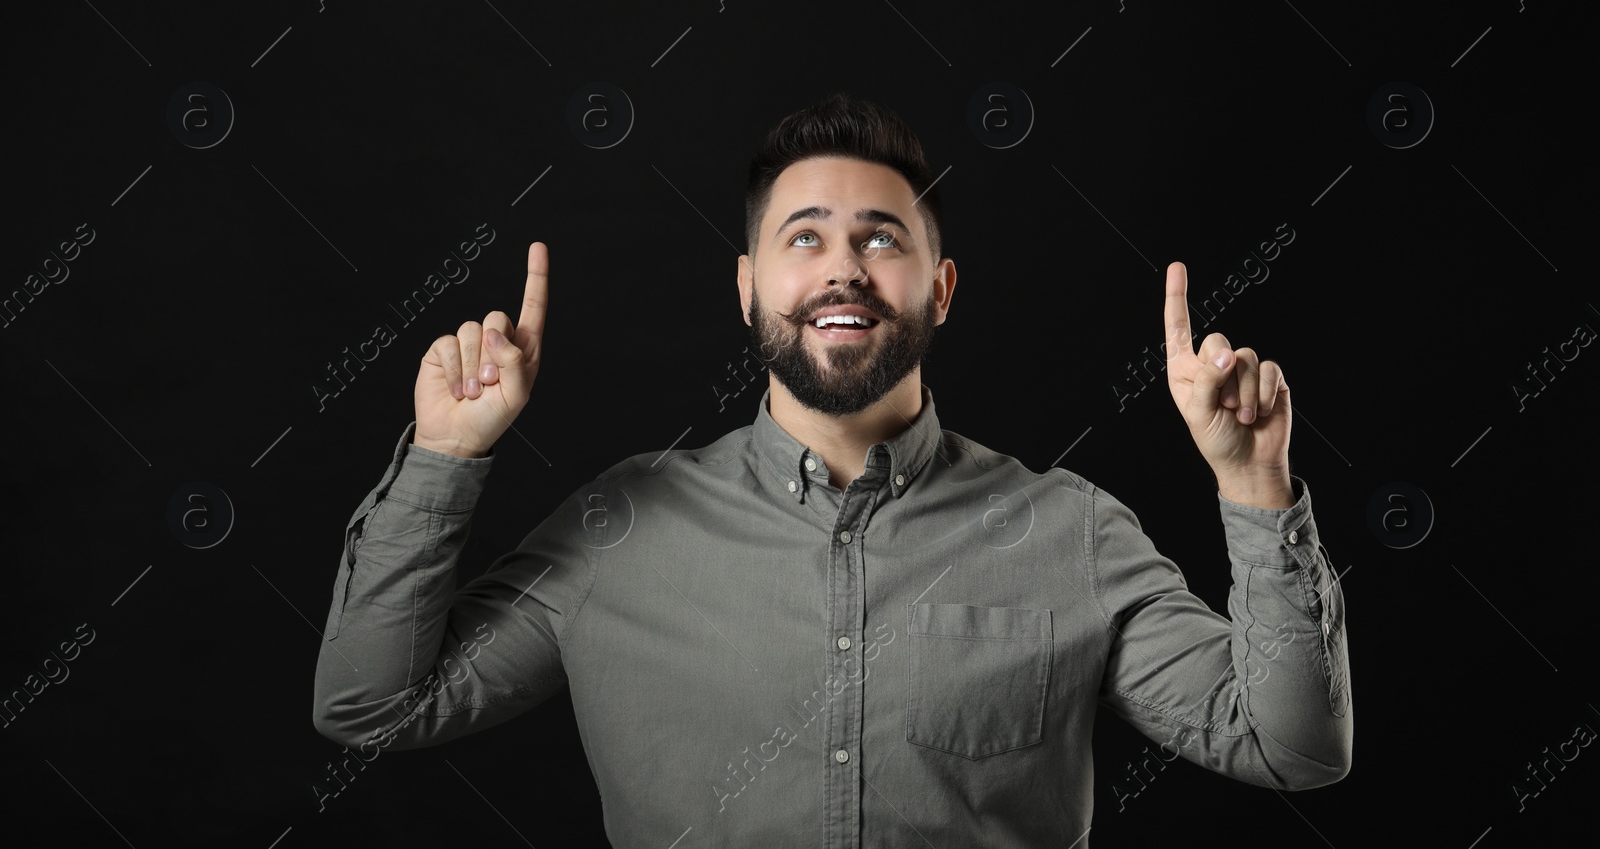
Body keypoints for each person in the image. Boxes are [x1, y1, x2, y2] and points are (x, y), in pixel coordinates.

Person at [311, 92, 1351, 847]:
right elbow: (371, 706)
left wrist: (1255, 486)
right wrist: (446, 455)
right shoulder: (619, 527)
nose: (843, 265)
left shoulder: (1066, 528)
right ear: (747, 285)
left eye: (880, 238)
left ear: (939, 288)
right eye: (803, 238)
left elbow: (1290, 747)